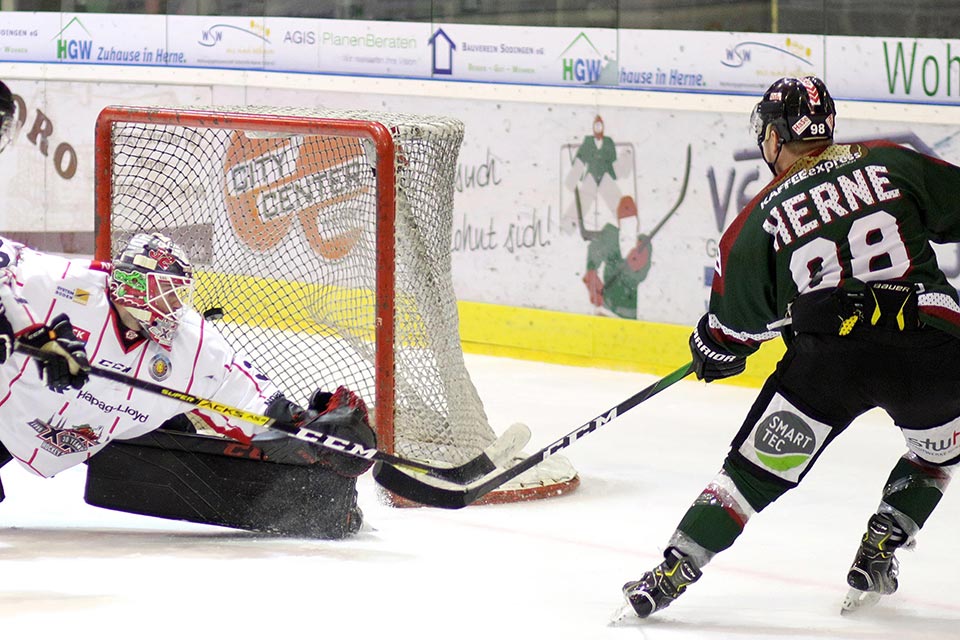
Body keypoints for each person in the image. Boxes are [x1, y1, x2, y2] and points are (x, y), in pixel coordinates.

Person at [619, 75, 960, 619]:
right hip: (930, 352)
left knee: (751, 474)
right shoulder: (892, 162)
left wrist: (711, 347)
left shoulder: (755, 222)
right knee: (935, 454)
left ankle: (673, 569)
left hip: (828, 363)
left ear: (775, 137)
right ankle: (881, 545)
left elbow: (729, 343)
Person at [0, 231, 377, 538]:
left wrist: (310, 430)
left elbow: (252, 400)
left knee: (179, 434)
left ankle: (314, 508)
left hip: (102, 429)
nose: (175, 306)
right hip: (9, 411)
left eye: (179, 293)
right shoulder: (63, 285)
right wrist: (22, 327)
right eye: (165, 292)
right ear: (132, 286)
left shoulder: (193, 344)